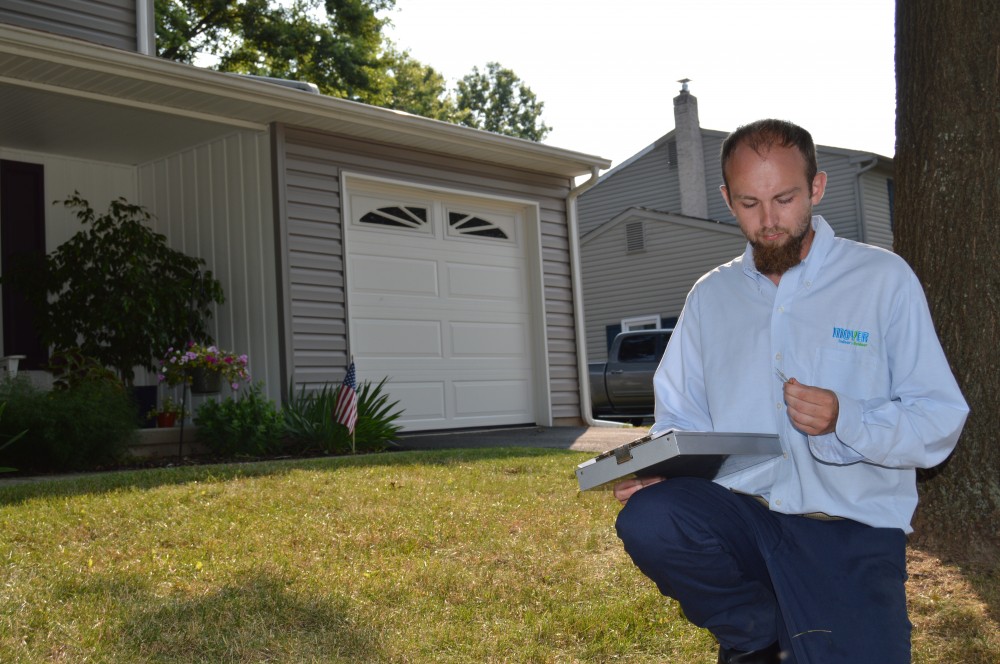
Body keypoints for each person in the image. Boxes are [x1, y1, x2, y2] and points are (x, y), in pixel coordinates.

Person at [613, 119, 969, 664]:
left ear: (817, 189)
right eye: (750, 203)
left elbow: (939, 419)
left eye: (784, 198)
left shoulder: (882, 280)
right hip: (745, 521)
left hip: (850, 531)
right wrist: (665, 464)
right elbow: (680, 416)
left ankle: (793, 632)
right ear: (727, 199)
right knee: (652, 515)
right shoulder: (711, 297)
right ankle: (757, 636)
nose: (769, 220)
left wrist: (845, 419)